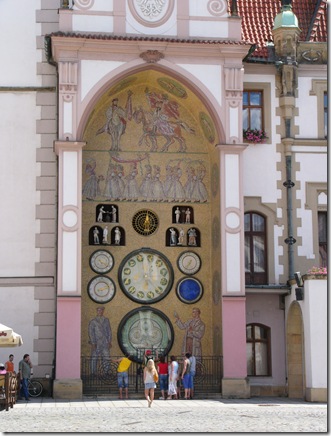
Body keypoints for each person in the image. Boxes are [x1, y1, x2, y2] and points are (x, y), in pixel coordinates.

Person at [88, 306, 112, 375]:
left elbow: (109, 331)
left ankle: (106, 372)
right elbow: (91, 332)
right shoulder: (93, 321)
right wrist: (93, 342)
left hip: (105, 342)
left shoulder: (106, 320)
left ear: (103, 311)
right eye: (98, 310)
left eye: (101, 310)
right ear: (97, 311)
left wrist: (109, 341)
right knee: (94, 358)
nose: (100, 312)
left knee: (106, 357)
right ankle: (93, 373)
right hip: (96, 343)